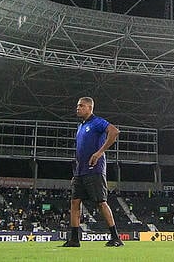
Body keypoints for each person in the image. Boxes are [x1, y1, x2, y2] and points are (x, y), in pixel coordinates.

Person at [62, 97, 123, 248]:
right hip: (80, 171)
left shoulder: (97, 122)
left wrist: (99, 153)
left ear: (89, 108)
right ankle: (75, 239)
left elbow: (114, 132)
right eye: (77, 106)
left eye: (81, 106)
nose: (78, 108)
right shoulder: (80, 126)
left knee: (101, 202)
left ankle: (116, 237)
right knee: (75, 202)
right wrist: (76, 172)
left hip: (94, 169)